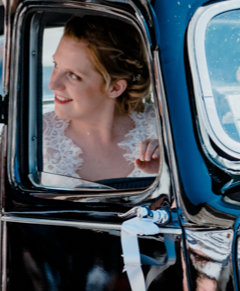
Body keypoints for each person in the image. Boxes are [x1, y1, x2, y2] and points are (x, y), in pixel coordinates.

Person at [43, 16, 162, 185]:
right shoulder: (32, 136)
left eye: (73, 75)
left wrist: (168, 172)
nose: (52, 84)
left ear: (114, 88)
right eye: (56, 64)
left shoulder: (165, 131)